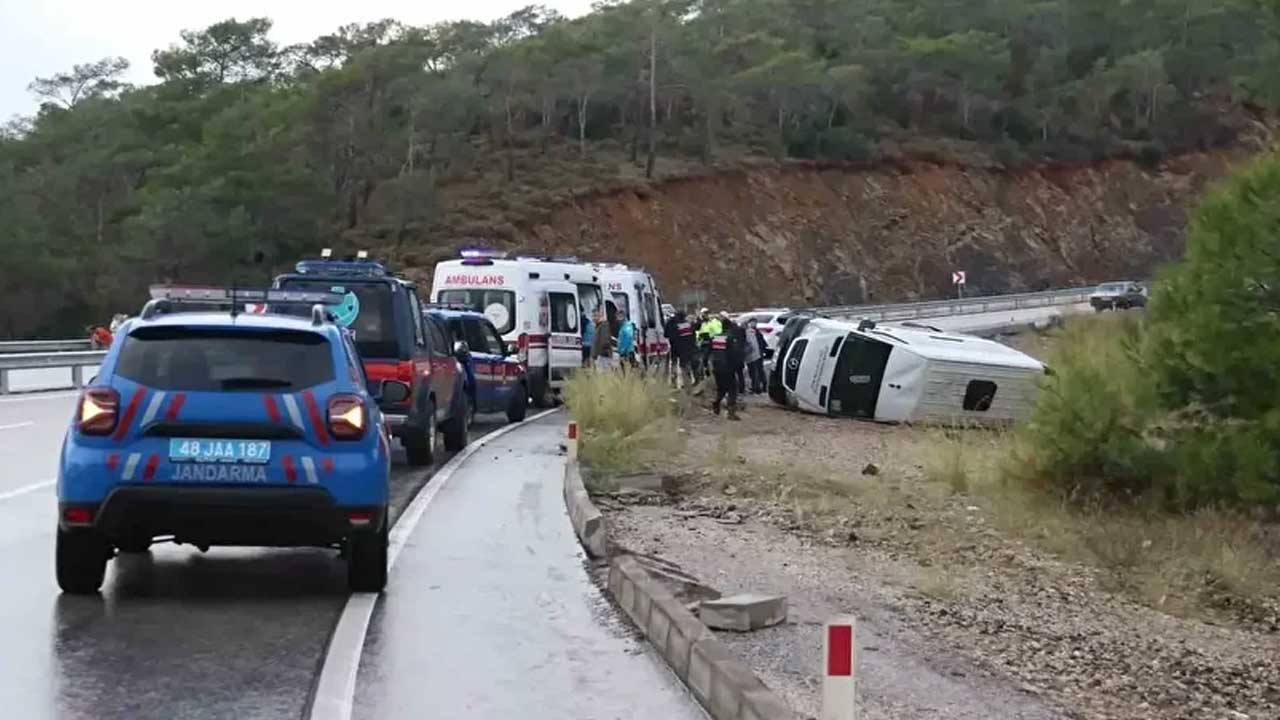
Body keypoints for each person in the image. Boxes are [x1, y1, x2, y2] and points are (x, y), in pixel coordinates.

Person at [709, 315, 742, 420]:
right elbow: (734, 354)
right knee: (733, 389)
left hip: (716, 367)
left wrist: (706, 365)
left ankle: (716, 403)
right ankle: (731, 412)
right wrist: (738, 366)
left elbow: (708, 352)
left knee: (721, 388)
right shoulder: (731, 338)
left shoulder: (715, 337)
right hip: (727, 368)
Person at [665, 309, 697, 388]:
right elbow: (693, 337)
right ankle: (687, 384)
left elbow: (666, 335)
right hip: (686, 349)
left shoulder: (671, 323)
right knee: (685, 366)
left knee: (674, 364)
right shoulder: (687, 325)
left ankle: (674, 383)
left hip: (674, 347)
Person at [746, 319, 768, 394]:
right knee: (758, 370)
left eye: (754, 323)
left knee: (755, 371)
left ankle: (757, 387)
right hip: (758, 353)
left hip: (756, 354)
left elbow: (760, 343)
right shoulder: (755, 332)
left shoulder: (752, 332)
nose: (752, 324)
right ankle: (762, 385)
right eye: (751, 323)